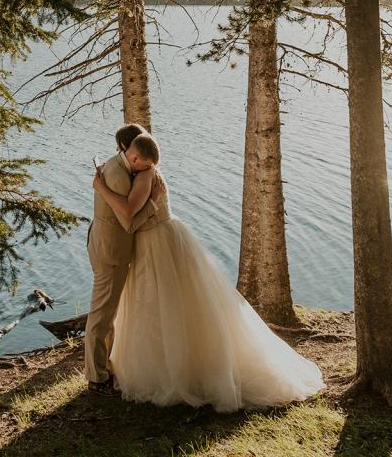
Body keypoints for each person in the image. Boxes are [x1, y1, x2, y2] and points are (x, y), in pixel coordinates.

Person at [92, 134, 325, 412]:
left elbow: (130, 217)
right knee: (162, 304)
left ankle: (172, 370)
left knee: (162, 304)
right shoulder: (138, 171)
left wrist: (104, 188)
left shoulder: (144, 175)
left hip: (156, 243)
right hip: (159, 240)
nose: (147, 165)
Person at [84, 124, 163, 395]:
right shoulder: (119, 178)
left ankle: (105, 368)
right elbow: (128, 222)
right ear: (134, 155)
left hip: (102, 244)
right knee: (101, 315)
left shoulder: (117, 164)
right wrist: (152, 202)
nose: (148, 170)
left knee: (107, 312)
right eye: (146, 165)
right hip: (112, 252)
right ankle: (96, 378)